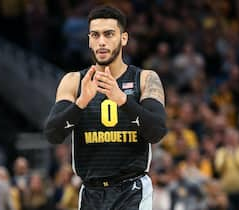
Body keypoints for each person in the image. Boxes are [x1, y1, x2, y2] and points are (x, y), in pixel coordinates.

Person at [44, 5, 167, 210]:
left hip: (132, 189)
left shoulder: (145, 78)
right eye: (95, 35)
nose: (101, 41)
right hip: (90, 192)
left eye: (109, 34)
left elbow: (157, 132)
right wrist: (81, 103)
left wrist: (122, 100)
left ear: (124, 38)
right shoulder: (74, 81)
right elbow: (53, 135)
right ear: (89, 40)